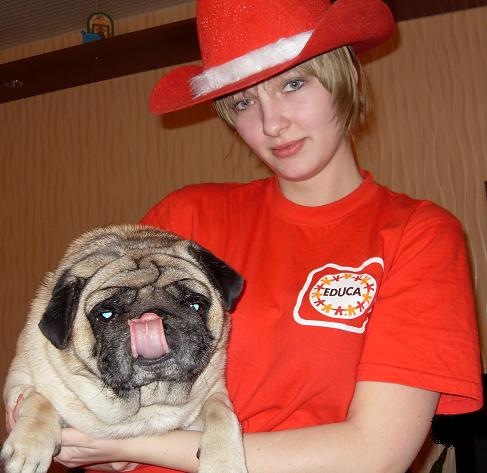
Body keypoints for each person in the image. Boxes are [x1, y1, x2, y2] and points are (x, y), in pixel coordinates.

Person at [5, 0, 483, 472]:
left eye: (293, 83)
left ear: (348, 77)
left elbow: (376, 455)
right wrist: (47, 419)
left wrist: (140, 446)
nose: (272, 123)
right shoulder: (183, 219)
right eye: (244, 101)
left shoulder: (417, 235)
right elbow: (82, 399)